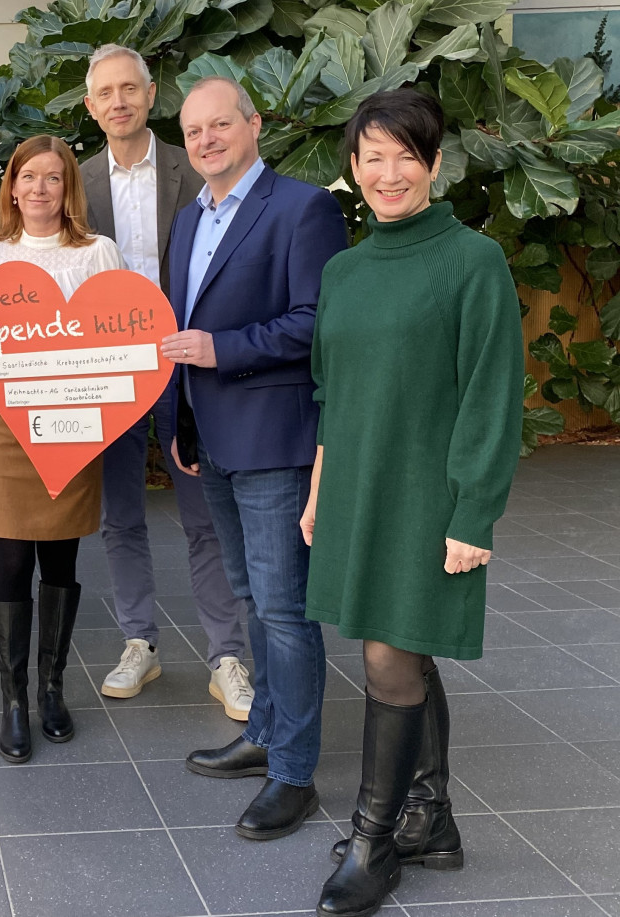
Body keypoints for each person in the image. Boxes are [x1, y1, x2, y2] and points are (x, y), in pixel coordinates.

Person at [305, 89, 523, 917]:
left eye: (406, 155)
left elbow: (490, 397)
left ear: (435, 163)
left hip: (430, 495)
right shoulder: (345, 268)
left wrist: (474, 513)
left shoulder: (473, 261)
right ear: (352, 168)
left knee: (391, 657)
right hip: (360, 483)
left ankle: (373, 838)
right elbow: (333, 388)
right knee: (399, 643)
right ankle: (430, 818)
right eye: (372, 157)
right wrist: (322, 487)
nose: (387, 173)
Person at [164, 77, 348, 839]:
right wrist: (178, 416)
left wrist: (222, 350)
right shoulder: (188, 220)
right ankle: (266, 732)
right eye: (194, 131)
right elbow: (179, 325)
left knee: (282, 607)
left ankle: (294, 772)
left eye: (220, 125)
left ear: (253, 123)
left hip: (273, 438)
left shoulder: (303, 208)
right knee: (248, 596)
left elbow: (318, 322)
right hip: (211, 438)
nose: (206, 140)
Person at [80, 44, 252, 718]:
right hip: (111, 370)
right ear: (91, 107)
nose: (118, 101)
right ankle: (138, 642)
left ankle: (227, 656)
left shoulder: (195, 165)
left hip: (188, 363)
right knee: (119, 514)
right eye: (105, 92)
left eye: (130, 88)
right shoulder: (77, 178)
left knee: (204, 512)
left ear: (152, 96)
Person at [0, 134, 126, 764]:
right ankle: (14, 702)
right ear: (12, 184)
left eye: (52, 178)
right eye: (28, 177)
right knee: (9, 567)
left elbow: (118, 340)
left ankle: (52, 689)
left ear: (68, 188)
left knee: (59, 565)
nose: (38, 189)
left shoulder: (98, 253)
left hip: (73, 428)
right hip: (4, 428)